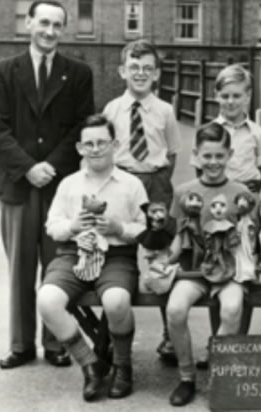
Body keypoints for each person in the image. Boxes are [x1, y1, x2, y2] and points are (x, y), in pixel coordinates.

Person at [0, 0, 94, 369]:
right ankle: (20, 345)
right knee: (20, 268)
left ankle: (55, 343)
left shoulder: (78, 73)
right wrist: (28, 167)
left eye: (57, 25)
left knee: (55, 266)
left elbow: (81, 126)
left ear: (63, 30)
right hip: (17, 184)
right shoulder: (3, 71)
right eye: (43, 23)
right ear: (28, 24)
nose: (50, 31)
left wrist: (50, 165)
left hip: (59, 186)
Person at [37, 115, 147, 401]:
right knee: (47, 300)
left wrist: (118, 227)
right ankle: (91, 365)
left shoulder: (131, 184)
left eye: (102, 142)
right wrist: (73, 226)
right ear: (79, 148)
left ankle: (123, 366)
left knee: (116, 300)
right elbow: (53, 227)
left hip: (116, 255)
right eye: (89, 144)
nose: (95, 149)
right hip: (74, 253)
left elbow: (146, 230)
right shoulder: (69, 184)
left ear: (115, 145)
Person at [102, 39, 181, 364]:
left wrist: (157, 182)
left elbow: (173, 153)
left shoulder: (165, 110)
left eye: (148, 68)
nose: (140, 73)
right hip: (121, 180)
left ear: (157, 74)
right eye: (134, 67)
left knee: (159, 256)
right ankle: (109, 336)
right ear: (123, 71)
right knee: (117, 251)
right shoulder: (111, 109)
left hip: (155, 181)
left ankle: (169, 336)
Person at [166, 122, 252, 407]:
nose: (213, 162)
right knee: (175, 309)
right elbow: (179, 236)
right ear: (196, 156)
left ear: (229, 155)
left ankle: (219, 370)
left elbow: (252, 236)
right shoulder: (183, 191)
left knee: (231, 308)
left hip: (228, 269)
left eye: (219, 156)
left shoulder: (242, 192)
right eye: (207, 156)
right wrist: (166, 261)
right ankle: (187, 376)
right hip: (194, 268)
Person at [190, 64, 261, 193]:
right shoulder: (204, 133)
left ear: (248, 96)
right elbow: (200, 170)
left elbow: (260, 172)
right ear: (216, 96)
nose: (230, 102)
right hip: (215, 194)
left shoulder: (258, 134)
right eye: (225, 96)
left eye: (237, 96)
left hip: (246, 196)